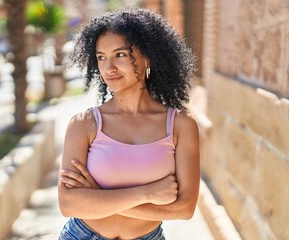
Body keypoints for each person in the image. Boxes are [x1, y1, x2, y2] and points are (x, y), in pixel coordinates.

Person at [58, 8, 200, 240]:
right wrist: (146, 193)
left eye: (121, 55)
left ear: (148, 57)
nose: (109, 67)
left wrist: (97, 197)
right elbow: (68, 204)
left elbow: (184, 210)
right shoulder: (84, 125)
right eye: (101, 57)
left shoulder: (180, 125)